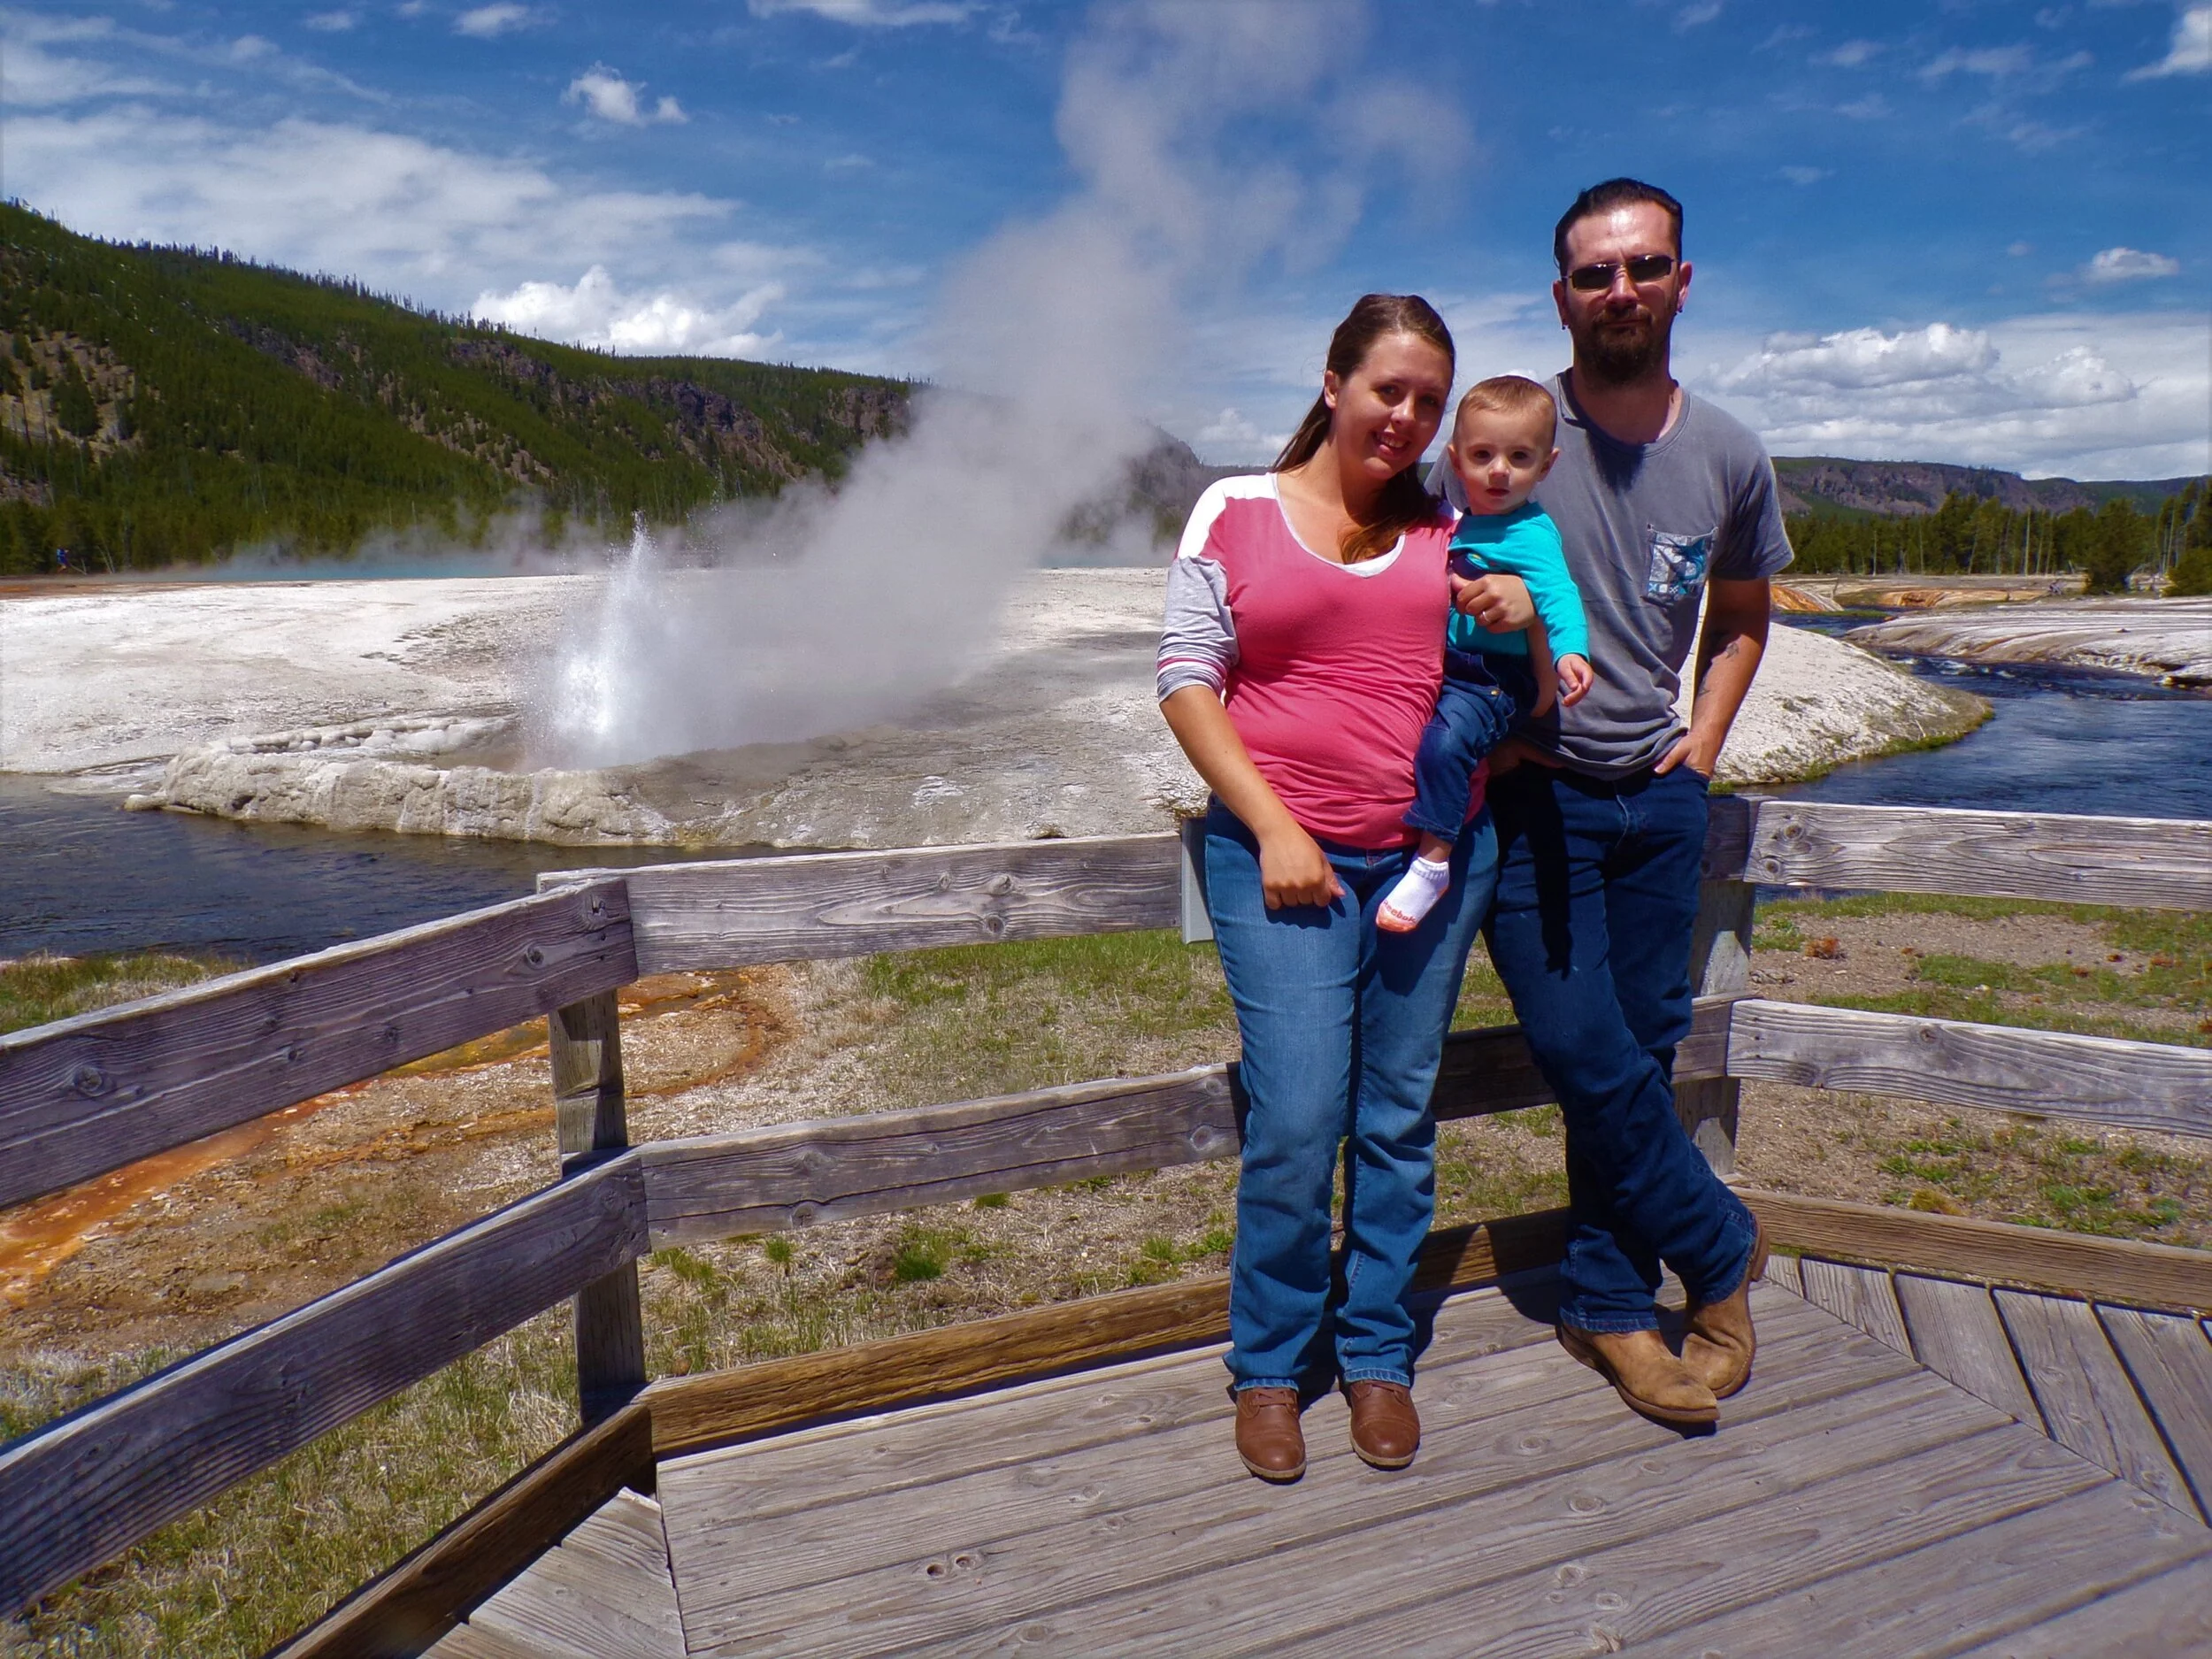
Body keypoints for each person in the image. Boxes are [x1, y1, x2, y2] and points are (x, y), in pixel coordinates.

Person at [1431, 179, 1791, 1427]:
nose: (1620, 290)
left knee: (1637, 1054)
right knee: (1585, 1050)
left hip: (1662, 798)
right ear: (1562, 296)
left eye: (1643, 266)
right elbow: (1392, 564)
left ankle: (1606, 1299)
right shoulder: (1510, 437)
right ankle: (1722, 1244)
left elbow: (1740, 615)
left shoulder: (1729, 453)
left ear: (1681, 280)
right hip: (1535, 800)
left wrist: (1703, 743)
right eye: (1595, 273)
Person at [1156, 294, 1521, 1482]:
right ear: (1332, 382)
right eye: (1387, 389)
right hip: (1285, 864)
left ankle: (1376, 1352)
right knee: (1300, 1114)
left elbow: (1524, 671)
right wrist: (1273, 824)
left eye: (1429, 401)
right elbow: (1185, 678)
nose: (1407, 417)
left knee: (1397, 1114)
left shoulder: (1457, 523)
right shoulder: (1236, 509)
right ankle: (1269, 1366)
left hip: (1431, 858)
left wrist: (1524, 622)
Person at [1377, 376, 1593, 933]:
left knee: (1447, 743)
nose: (1500, 471)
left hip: (1496, 677)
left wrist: (1570, 652)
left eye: (1519, 457)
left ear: (1546, 466)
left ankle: (1434, 860)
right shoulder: (1460, 524)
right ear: (1456, 460)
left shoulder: (1531, 532)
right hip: (1455, 668)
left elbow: (1559, 595)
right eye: (1483, 455)